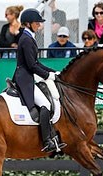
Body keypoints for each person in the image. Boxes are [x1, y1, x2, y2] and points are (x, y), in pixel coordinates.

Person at [12, 8, 66, 153]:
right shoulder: (26, 39)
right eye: (37, 23)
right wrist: (48, 76)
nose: (39, 25)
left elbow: (37, 63)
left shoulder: (28, 37)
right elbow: (31, 65)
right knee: (45, 104)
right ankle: (47, 140)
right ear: (28, 23)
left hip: (28, 75)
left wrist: (53, 72)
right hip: (24, 78)